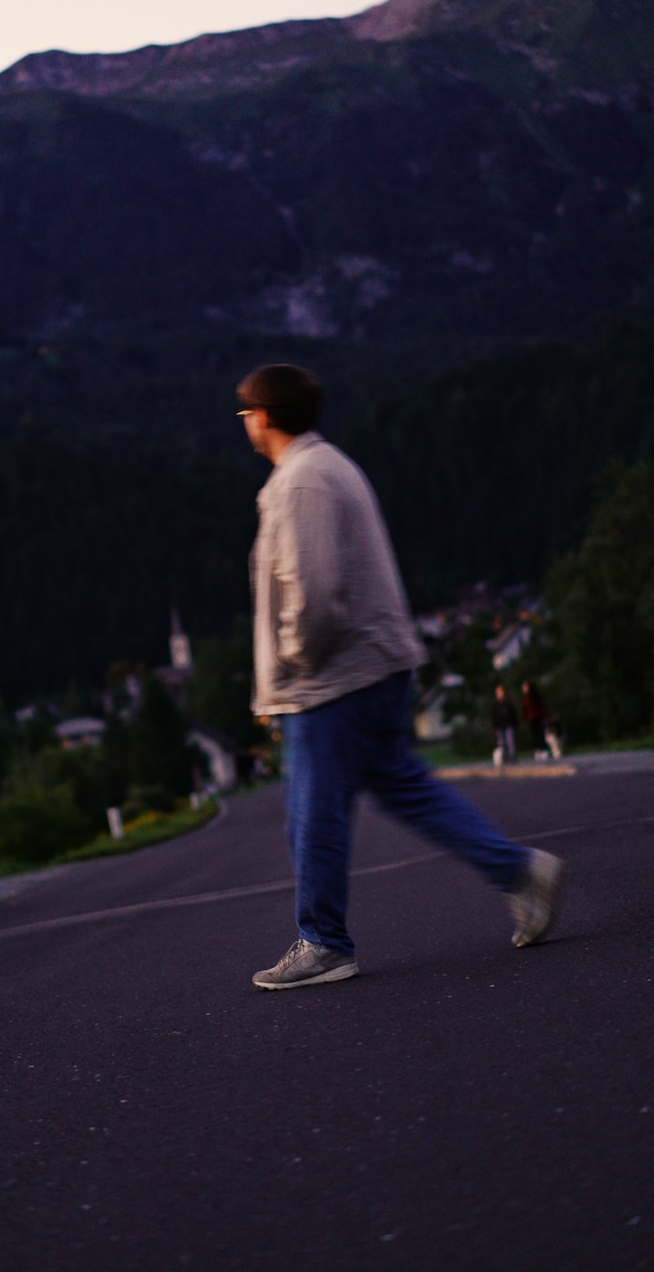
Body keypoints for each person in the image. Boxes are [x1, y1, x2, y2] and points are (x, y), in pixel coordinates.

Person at [237, 363, 562, 991]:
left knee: (313, 813)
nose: (245, 422)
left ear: (266, 415)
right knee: (404, 789)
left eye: (247, 411)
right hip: (371, 668)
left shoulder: (303, 480)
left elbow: (318, 593)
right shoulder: (325, 467)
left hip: (333, 681)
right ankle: (519, 872)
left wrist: (293, 665)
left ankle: (325, 942)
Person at [520, 681, 550, 758]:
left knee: (541, 734)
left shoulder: (536, 696)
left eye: (525, 687)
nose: (524, 689)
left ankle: (544, 750)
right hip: (531, 719)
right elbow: (524, 710)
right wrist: (522, 720)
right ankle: (537, 751)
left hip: (539, 718)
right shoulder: (524, 698)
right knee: (534, 736)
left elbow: (542, 707)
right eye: (523, 688)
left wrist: (545, 717)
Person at [492, 682, 519, 766]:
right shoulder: (495, 704)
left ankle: (512, 756)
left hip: (508, 725)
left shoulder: (508, 703)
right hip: (500, 726)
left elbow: (513, 713)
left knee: (510, 740)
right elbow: (493, 716)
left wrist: (515, 723)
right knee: (501, 742)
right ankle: (503, 757)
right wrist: (495, 726)